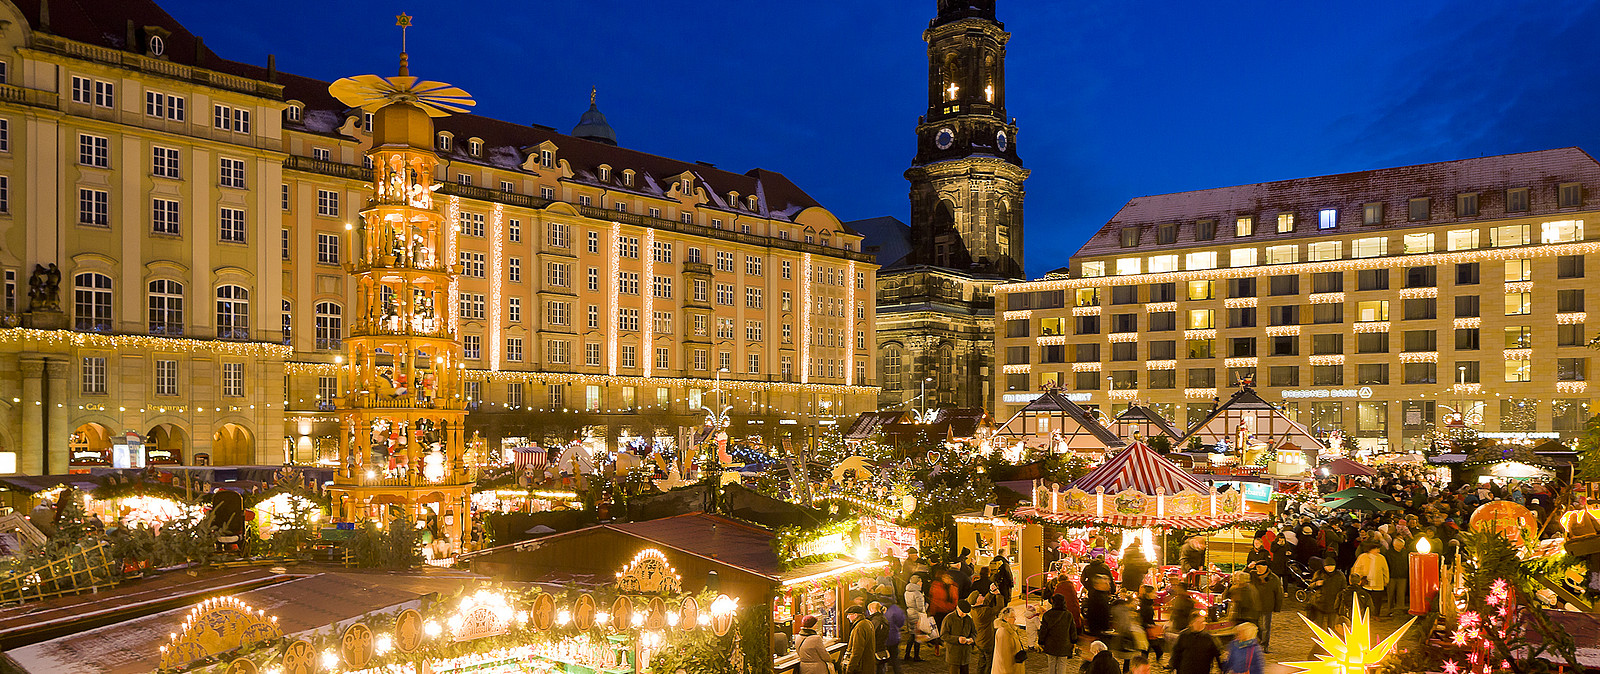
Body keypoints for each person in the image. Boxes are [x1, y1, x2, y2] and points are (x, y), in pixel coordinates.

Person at [1038, 594, 1077, 674]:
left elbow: (1043, 630)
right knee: (1062, 663)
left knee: (1051, 663)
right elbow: (1072, 630)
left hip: (1051, 644)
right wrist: (1073, 641)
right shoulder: (1068, 615)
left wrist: (1041, 641)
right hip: (1064, 644)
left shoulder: (1048, 615)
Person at [1247, 563, 1282, 652]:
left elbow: (1278, 593)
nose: (1258, 569)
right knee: (1256, 626)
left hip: (1267, 605)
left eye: (1260, 567)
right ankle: (1258, 642)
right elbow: (1241, 576)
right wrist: (1248, 568)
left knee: (1266, 627)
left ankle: (1264, 645)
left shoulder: (1274, 578)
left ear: (1266, 567)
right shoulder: (1253, 574)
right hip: (1254, 605)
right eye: (1257, 567)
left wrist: (1277, 607)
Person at [1350, 542, 1389, 615]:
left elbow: (1385, 570)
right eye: (1376, 549)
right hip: (1365, 583)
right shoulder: (1363, 557)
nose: (1378, 550)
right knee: (1364, 599)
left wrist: (1386, 580)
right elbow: (1357, 568)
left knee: (1377, 600)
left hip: (1378, 583)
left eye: (1378, 548)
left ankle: (1376, 614)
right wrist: (1359, 578)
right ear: (1370, 549)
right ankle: (1365, 614)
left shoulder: (1381, 558)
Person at [1309, 557, 1348, 630]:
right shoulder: (1319, 573)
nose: (1330, 568)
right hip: (1320, 603)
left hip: (1334, 604)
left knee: (1332, 625)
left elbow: (1344, 587)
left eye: (1332, 566)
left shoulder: (1339, 575)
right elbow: (1311, 585)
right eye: (1328, 566)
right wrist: (1316, 584)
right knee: (1318, 625)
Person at [940, 600, 976, 674]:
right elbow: (943, 635)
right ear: (957, 608)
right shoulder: (949, 618)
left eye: (965, 613)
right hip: (953, 654)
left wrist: (972, 639)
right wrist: (957, 639)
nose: (963, 614)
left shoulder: (969, 619)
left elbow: (974, 632)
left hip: (965, 654)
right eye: (962, 612)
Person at [929, 571, 959, 657]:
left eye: (949, 578)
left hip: (949, 611)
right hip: (939, 612)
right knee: (937, 632)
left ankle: (948, 648)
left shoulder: (954, 587)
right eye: (946, 578)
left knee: (950, 631)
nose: (948, 579)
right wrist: (932, 612)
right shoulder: (936, 586)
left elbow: (955, 600)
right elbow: (934, 600)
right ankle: (937, 649)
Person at [992, 606, 1026, 674]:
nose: (1015, 619)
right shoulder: (1003, 632)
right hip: (1007, 669)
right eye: (1012, 617)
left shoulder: (1010, 629)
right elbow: (1003, 655)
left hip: (1013, 665)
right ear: (1006, 618)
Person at [970, 592, 999, 674]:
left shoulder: (975, 609)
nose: (981, 595)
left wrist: (991, 593)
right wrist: (998, 595)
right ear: (977, 601)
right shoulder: (984, 612)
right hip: (987, 642)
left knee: (982, 662)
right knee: (989, 663)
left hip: (980, 641)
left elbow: (984, 603)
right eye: (979, 596)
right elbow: (999, 608)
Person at [1382, 537, 1409, 617]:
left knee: (1401, 593)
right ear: (1394, 545)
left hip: (1402, 576)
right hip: (1392, 576)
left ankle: (1400, 608)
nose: (1399, 547)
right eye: (1398, 545)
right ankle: (1390, 609)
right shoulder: (1389, 553)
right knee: (1391, 593)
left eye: (1401, 546)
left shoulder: (1405, 552)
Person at [845, 606, 876, 674]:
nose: (847, 617)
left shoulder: (859, 627)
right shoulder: (868, 622)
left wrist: (850, 668)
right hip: (868, 663)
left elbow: (857, 650)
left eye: (849, 615)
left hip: (861, 666)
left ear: (855, 615)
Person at [1138, 584, 1164, 665]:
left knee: (1148, 648)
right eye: (1153, 593)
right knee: (1151, 647)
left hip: (1148, 629)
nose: (1155, 594)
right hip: (1147, 629)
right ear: (1148, 594)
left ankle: (1144, 661)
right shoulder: (1145, 605)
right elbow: (1142, 619)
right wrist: (1149, 625)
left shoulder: (1147, 604)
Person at [1083, 573, 1114, 638]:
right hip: (1098, 631)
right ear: (1098, 585)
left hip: (1099, 630)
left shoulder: (1100, 595)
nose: (1109, 586)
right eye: (1106, 583)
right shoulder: (1098, 597)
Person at [904, 577, 928, 661]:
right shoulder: (917, 594)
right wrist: (926, 605)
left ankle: (907, 654)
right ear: (917, 583)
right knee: (918, 636)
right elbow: (920, 608)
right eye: (920, 581)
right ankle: (916, 656)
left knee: (912, 635)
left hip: (910, 613)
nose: (922, 583)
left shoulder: (907, 592)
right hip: (917, 616)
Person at [885, 595, 907, 674]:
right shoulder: (895, 609)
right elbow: (900, 623)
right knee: (895, 658)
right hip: (893, 637)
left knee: (881, 661)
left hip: (881, 638)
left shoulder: (874, 605)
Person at [868, 602, 892, 674]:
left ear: (872, 609)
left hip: (876, 649)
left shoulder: (875, 621)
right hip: (882, 647)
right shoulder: (883, 618)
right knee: (882, 668)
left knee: (878, 669)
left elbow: (873, 635)